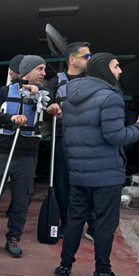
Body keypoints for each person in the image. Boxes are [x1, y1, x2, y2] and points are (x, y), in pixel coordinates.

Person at [54, 53, 139, 276]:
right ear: (105, 69)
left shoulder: (69, 99)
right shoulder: (110, 97)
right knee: (105, 225)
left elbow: (68, 138)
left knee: (75, 219)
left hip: (79, 172)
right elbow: (115, 136)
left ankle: (64, 267)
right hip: (106, 174)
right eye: (116, 66)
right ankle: (102, 273)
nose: (120, 71)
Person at [0, 55, 49, 259]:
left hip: (27, 155)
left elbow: (50, 106)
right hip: (2, 152)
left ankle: (13, 237)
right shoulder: (3, 92)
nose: (43, 73)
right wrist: (10, 118)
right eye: (40, 69)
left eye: (44, 69)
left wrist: (47, 103)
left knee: (22, 199)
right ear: (27, 70)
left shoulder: (44, 94)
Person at [45, 42, 91, 234]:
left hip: (87, 140)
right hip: (62, 138)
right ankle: (66, 221)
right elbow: (44, 107)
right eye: (86, 56)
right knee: (62, 182)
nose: (90, 59)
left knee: (87, 182)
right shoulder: (55, 81)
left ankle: (88, 223)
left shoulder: (93, 81)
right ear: (72, 60)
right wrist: (50, 109)